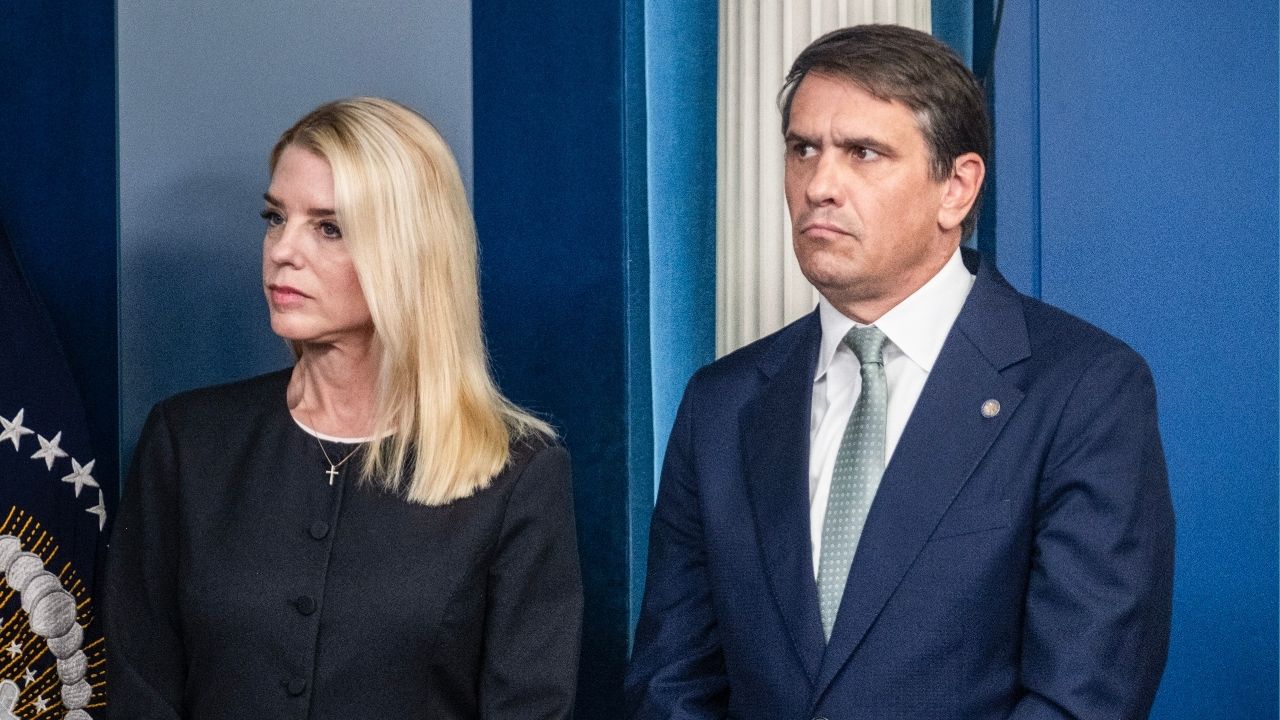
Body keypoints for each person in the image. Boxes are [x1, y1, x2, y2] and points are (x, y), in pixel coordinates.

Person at [626, 24, 1173, 719]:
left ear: (957, 188)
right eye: (804, 150)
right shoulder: (722, 404)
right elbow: (672, 681)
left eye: (864, 153)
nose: (820, 184)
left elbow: (1084, 695)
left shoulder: (1083, 391)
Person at [106, 97, 582, 718]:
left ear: (409, 255)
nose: (282, 250)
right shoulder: (187, 442)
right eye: (276, 218)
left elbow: (529, 705)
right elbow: (139, 688)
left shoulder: (516, 472)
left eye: (328, 227)